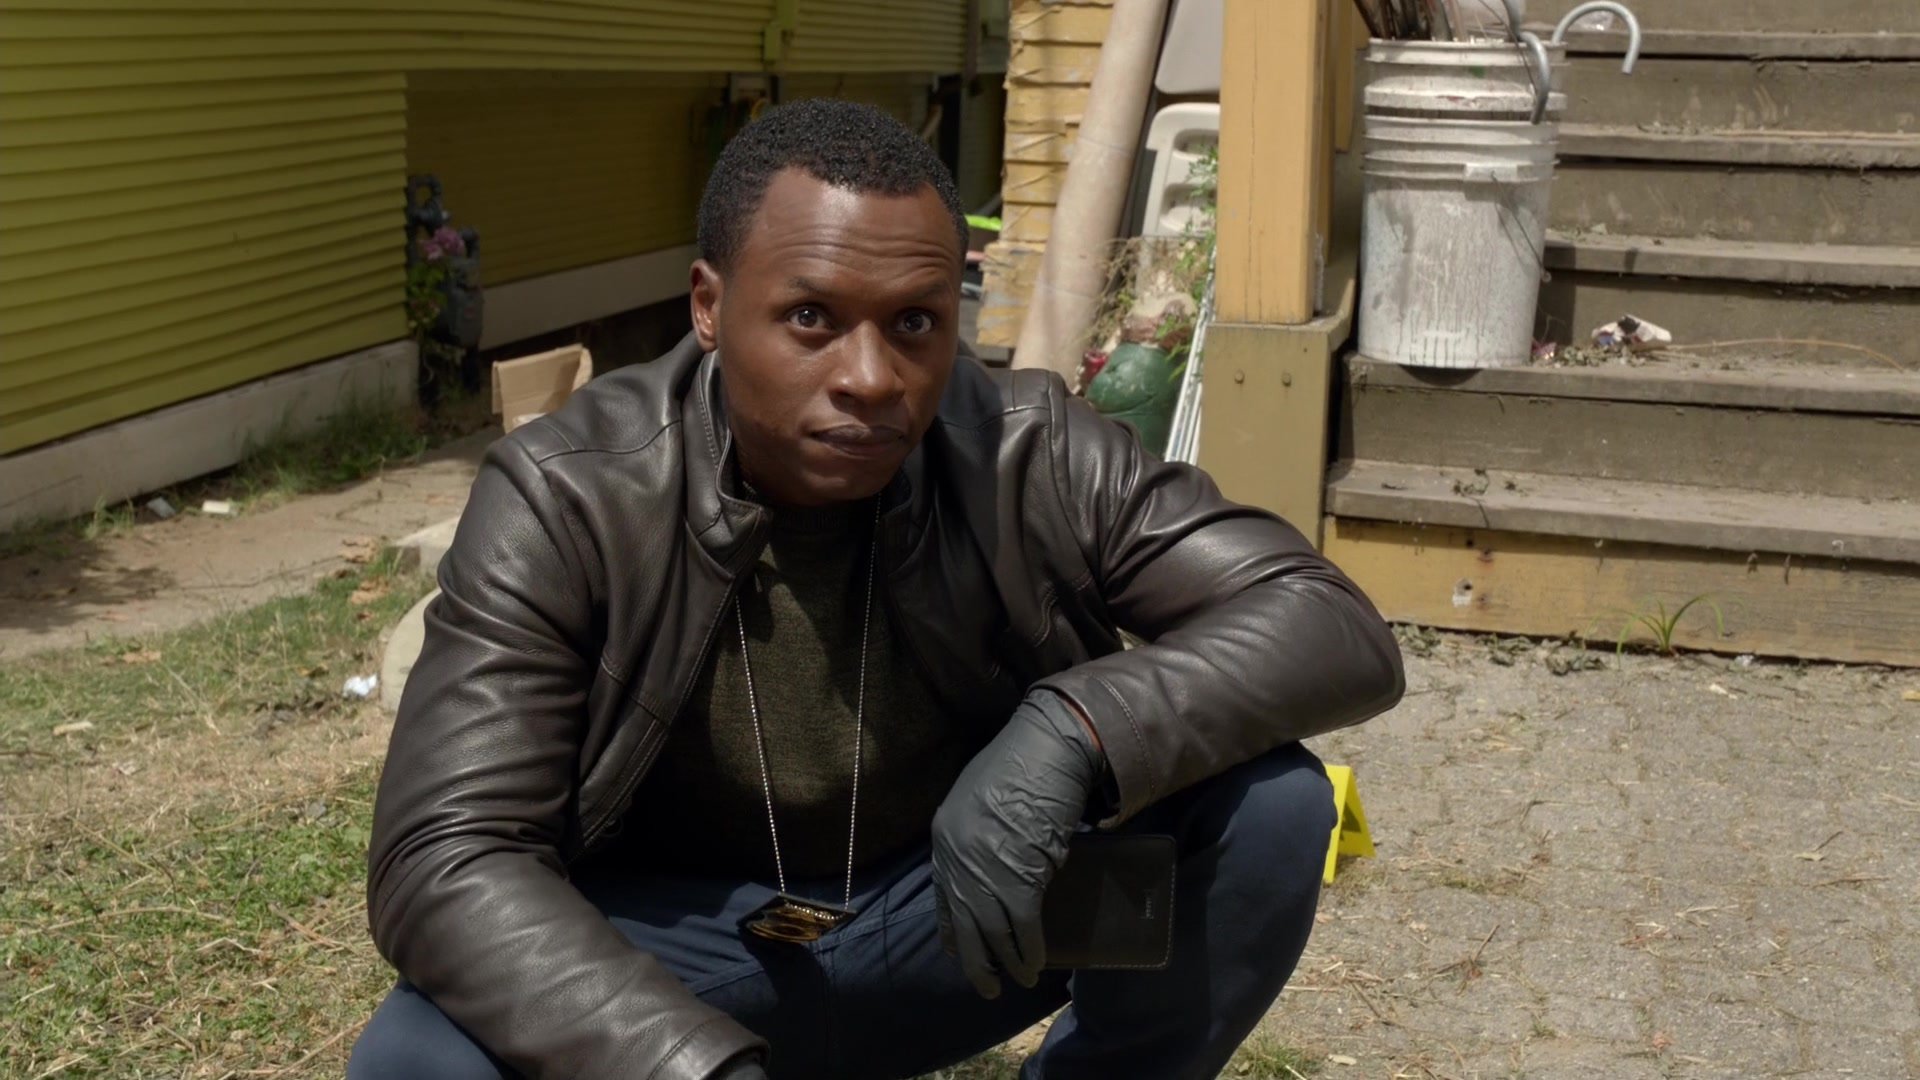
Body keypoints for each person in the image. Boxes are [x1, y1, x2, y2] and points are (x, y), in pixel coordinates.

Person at [348, 98, 1403, 1080]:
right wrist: (694, 1068)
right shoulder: (569, 495)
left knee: (1272, 808)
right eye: (811, 316)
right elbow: (445, 855)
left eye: (914, 324)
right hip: (680, 956)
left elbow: (1328, 620)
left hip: (960, 916)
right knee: (419, 1056)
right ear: (710, 306)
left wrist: (1073, 731)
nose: (871, 377)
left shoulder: (1025, 451)